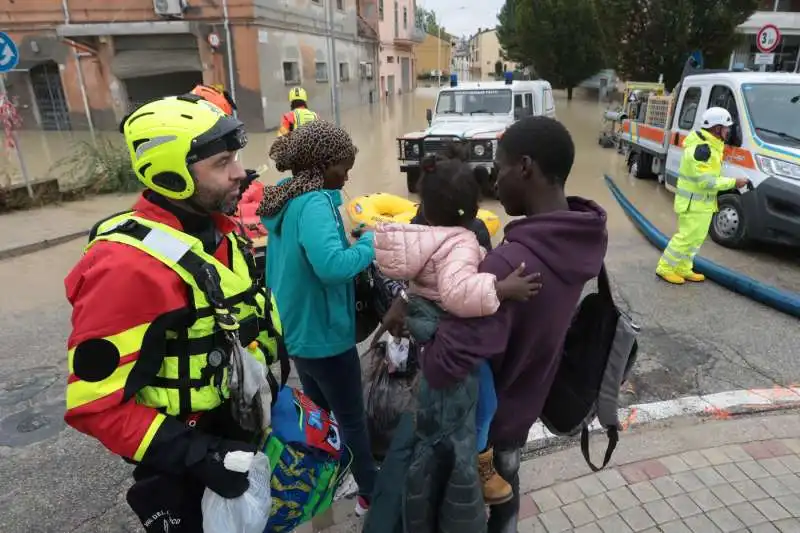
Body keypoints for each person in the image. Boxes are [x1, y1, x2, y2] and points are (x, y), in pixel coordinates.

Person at [63, 95, 285, 532]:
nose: (240, 172)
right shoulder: (126, 269)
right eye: (223, 162)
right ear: (172, 175)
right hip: (184, 464)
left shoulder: (216, 230)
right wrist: (196, 454)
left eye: (235, 157)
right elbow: (94, 406)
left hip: (236, 436)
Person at [384, 116, 608, 533]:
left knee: (465, 510)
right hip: (525, 404)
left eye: (499, 168)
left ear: (525, 167)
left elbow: (444, 363)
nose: (494, 182)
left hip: (486, 424)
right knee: (505, 495)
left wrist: (419, 326)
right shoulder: (577, 236)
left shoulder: (511, 264)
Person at [372, 154, 541, 505]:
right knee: (486, 403)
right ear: (474, 210)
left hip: (429, 335)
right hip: (453, 335)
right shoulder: (462, 241)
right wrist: (500, 288)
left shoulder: (423, 234)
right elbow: (456, 292)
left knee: (439, 409)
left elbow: (421, 280)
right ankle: (479, 464)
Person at [257, 120, 377, 516]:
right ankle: (370, 496)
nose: (347, 174)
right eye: (343, 165)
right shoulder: (317, 202)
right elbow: (331, 267)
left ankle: (321, 489)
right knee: (352, 420)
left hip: (296, 331)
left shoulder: (286, 202)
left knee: (323, 418)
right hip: (325, 334)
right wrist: (369, 244)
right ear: (323, 166)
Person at [656, 107, 750, 285]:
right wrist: (733, 183)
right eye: (725, 127)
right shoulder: (702, 151)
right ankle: (665, 268)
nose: (728, 131)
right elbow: (706, 182)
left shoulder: (712, 147)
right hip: (693, 205)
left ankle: (683, 267)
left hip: (703, 204)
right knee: (685, 238)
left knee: (696, 240)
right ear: (716, 129)